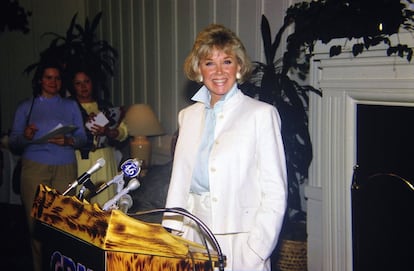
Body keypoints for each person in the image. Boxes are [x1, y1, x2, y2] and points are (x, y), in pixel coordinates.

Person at [161, 24, 288, 271]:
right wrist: (173, 231)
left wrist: (256, 250)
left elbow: (275, 192)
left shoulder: (261, 115)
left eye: (227, 61)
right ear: (199, 69)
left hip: (239, 239)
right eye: (209, 63)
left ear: (239, 67)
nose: (219, 71)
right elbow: (181, 179)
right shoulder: (187, 116)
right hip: (191, 233)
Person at [9, 62, 87, 271]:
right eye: (49, 78)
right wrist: (26, 136)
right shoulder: (27, 106)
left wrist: (69, 141)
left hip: (65, 167)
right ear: (40, 81)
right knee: (36, 225)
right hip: (35, 167)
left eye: (57, 78)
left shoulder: (70, 106)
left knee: (64, 223)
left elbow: (82, 137)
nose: (54, 82)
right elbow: (14, 141)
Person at [68, 69, 128, 205]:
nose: (83, 87)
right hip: (80, 159)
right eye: (78, 83)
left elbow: (123, 132)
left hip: (105, 158)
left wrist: (108, 131)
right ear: (73, 86)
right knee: (80, 204)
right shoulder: (68, 107)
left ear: (92, 83)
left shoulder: (105, 106)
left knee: (105, 201)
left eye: (86, 82)